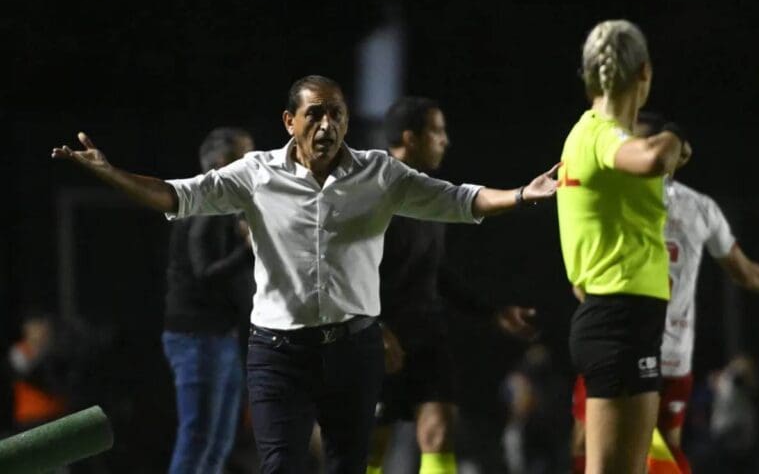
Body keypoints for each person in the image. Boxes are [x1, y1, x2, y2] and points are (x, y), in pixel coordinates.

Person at [52, 75, 559, 473]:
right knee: (281, 467)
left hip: (353, 350)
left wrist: (520, 195)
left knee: (346, 466)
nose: (326, 124)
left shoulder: (378, 173)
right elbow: (175, 194)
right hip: (279, 353)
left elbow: (460, 199)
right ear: (289, 121)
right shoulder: (256, 173)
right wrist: (112, 173)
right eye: (314, 113)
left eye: (336, 113)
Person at [569, 112, 759, 474]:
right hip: (675, 356)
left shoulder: (618, 202)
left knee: (589, 444)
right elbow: (748, 274)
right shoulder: (700, 207)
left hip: (623, 342)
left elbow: (581, 285)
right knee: (664, 447)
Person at [556, 20, 688, 474]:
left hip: (622, 319)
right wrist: (672, 136)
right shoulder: (601, 134)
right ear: (644, 72)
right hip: (619, 322)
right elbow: (652, 158)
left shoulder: (594, 136)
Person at [365, 96, 459, 474]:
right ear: (410, 138)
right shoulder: (371, 195)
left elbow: (436, 271)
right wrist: (373, 326)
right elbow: (347, 272)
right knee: (371, 444)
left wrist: (493, 311)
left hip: (427, 334)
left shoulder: (433, 195)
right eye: (437, 131)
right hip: (380, 337)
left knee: (440, 430)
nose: (445, 140)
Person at [162, 127, 255, 474]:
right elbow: (204, 272)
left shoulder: (227, 208)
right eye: (244, 156)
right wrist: (247, 251)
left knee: (218, 444)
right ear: (220, 162)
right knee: (199, 439)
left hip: (220, 335)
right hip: (197, 337)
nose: (253, 164)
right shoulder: (204, 205)